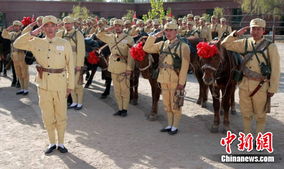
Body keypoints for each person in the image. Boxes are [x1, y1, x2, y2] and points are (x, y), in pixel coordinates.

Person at [13, 15, 75, 154]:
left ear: (57, 27)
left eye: (52, 25)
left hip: (60, 84)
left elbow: (70, 65)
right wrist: (33, 32)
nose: (50, 28)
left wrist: (70, 85)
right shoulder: (36, 42)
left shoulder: (64, 43)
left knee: (61, 115)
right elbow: (17, 44)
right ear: (43, 28)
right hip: (44, 85)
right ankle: (52, 143)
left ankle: (61, 143)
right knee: (47, 115)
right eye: (46, 26)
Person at [221, 18, 280, 135]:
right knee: (246, 114)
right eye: (253, 29)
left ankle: (259, 139)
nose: (255, 31)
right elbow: (225, 44)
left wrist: (272, 88)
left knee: (260, 116)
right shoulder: (245, 43)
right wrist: (236, 34)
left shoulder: (270, 47)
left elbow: (276, 69)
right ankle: (247, 137)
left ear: (263, 30)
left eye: (258, 29)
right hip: (244, 84)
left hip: (261, 86)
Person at [143, 22, 190, 135]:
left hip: (175, 79)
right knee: (166, 104)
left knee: (175, 104)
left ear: (176, 31)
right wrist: (153, 37)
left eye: (170, 30)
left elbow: (185, 66)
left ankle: (175, 126)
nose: (168, 32)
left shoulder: (183, 46)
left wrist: (181, 83)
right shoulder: (162, 44)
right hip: (163, 78)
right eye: (166, 30)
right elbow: (147, 48)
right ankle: (169, 124)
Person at [97, 19, 135, 117]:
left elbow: (131, 55)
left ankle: (125, 109)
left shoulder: (129, 38)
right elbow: (99, 35)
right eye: (115, 26)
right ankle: (120, 108)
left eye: (119, 26)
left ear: (123, 27)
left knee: (124, 89)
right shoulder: (110, 37)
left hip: (123, 66)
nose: (117, 27)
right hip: (113, 66)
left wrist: (129, 69)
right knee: (117, 90)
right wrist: (108, 29)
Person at [57, 16, 86, 110]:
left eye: (69, 23)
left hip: (75, 63)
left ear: (73, 24)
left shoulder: (78, 34)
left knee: (77, 84)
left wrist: (79, 64)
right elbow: (50, 36)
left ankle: (80, 103)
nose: (67, 25)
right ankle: (74, 102)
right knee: (69, 83)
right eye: (65, 23)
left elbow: (81, 50)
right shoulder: (61, 34)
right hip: (64, 63)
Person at [2, 20, 29, 95]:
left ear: (20, 27)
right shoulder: (12, 34)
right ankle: (22, 88)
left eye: (17, 26)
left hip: (22, 55)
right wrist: (7, 29)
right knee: (18, 73)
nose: (16, 27)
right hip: (14, 55)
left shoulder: (23, 33)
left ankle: (26, 89)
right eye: (14, 26)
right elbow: (4, 35)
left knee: (24, 73)